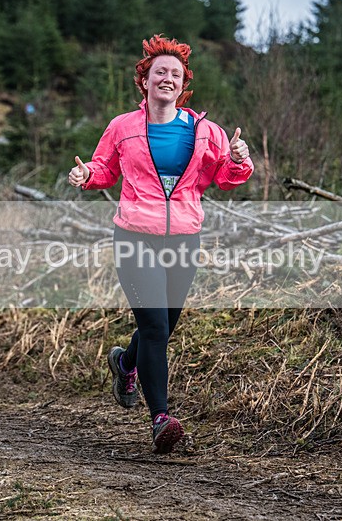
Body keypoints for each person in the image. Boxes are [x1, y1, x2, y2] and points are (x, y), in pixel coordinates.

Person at [69, 34, 253, 454]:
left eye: (175, 73)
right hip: (135, 236)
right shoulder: (123, 127)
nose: (166, 79)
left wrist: (240, 158)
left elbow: (226, 177)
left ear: (183, 83)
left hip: (184, 237)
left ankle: (125, 363)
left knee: (165, 326)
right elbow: (103, 169)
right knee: (153, 326)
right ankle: (161, 419)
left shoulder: (206, 131)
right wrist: (86, 176)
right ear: (145, 81)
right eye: (159, 73)